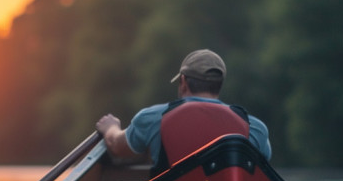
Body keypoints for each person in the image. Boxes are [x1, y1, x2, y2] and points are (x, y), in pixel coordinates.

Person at [95, 48, 271, 168]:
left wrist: (110, 127)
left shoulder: (153, 118)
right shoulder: (254, 128)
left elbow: (117, 146)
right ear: (219, 85)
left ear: (183, 81)